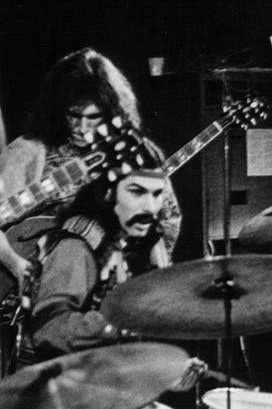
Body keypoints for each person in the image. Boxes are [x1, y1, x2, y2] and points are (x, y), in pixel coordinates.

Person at [0, 48, 181, 290]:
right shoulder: (29, 151)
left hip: (115, 288)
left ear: (113, 112)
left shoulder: (136, 151)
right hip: (47, 286)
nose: (82, 127)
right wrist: (16, 265)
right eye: (73, 115)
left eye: (93, 117)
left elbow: (167, 219)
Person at [24, 141, 173, 361]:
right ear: (109, 193)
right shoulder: (76, 246)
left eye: (157, 194)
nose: (150, 207)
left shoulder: (141, 241)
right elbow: (50, 329)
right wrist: (121, 326)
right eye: (136, 192)